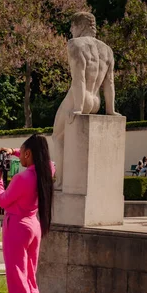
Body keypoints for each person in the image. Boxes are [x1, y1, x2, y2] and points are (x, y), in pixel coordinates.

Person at [0, 134, 54, 293]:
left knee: (18, 282)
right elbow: (44, 161)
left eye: (22, 153)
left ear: (29, 154)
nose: (19, 159)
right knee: (29, 280)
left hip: (17, 227)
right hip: (33, 226)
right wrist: (14, 151)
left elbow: (3, 200)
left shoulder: (22, 178)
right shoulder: (47, 172)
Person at [52, 12, 120, 189]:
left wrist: (78, 107)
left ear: (80, 26)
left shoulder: (76, 44)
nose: (70, 30)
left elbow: (79, 78)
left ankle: (60, 181)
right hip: (96, 100)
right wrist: (110, 110)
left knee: (57, 137)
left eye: (72, 26)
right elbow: (109, 83)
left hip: (80, 98)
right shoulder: (107, 50)